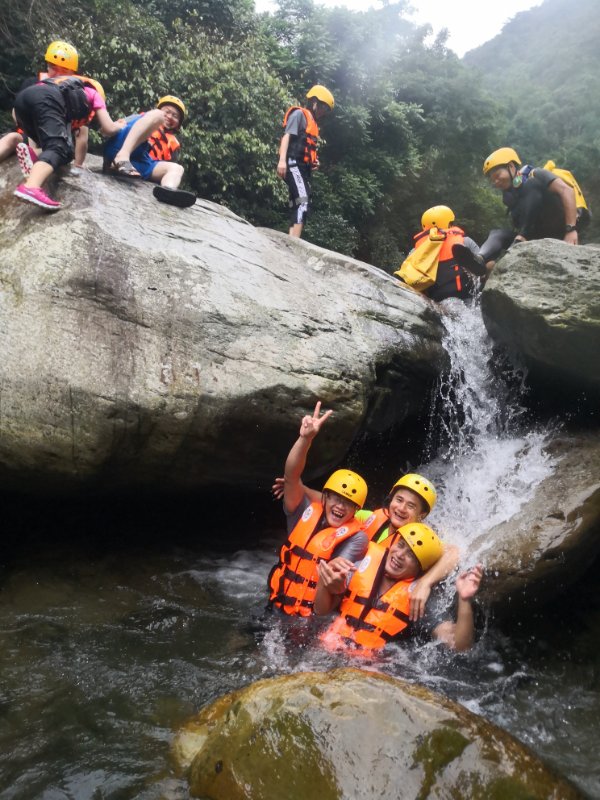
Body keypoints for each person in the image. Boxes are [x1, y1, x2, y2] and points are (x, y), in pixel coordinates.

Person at [267, 401, 369, 617]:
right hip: (275, 605)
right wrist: (306, 438)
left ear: (355, 510)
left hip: (308, 621)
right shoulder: (302, 511)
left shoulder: (356, 539)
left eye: (349, 503)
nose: (341, 507)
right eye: (336, 499)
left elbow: (332, 591)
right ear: (325, 498)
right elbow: (291, 477)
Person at [315, 523, 483, 654]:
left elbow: (459, 645)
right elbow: (321, 610)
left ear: (420, 568)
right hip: (327, 650)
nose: (400, 555)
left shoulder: (417, 602)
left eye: (411, 555)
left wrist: (464, 600)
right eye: (401, 545)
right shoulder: (359, 568)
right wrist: (325, 582)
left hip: (370, 672)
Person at [453, 147, 581, 275]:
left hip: (558, 226)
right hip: (535, 236)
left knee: (531, 185)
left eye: (497, 176)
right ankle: (479, 260)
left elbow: (567, 191)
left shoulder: (537, 174)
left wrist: (571, 230)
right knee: (498, 233)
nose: (496, 182)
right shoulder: (510, 197)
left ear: (511, 166)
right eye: (492, 180)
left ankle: (522, 237)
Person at [12, 69, 124, 210]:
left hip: (22, 102)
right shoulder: (93, 93)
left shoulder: (60, 85)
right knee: (59, 149)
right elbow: (108, 128)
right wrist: (120, 126)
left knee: (62, 150)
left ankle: (34, 155)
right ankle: (31, 187)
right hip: (46, 99)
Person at [0, 41, 89, 170]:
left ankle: (34, 157)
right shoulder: (33, 84)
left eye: (63, 70)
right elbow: (16, 113)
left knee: (58, 150)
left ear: (72, 73)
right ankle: (30, 154)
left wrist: (78, 165)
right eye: (53, 67)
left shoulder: (76, 94)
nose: (57, 73)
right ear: (47, 66)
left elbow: (82, 134)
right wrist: (31, 144)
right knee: (12, 137)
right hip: (27, 135)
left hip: (56, 142)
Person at [277, 84, 334, 238]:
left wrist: (313, 163)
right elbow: (287, 136)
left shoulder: (313, 124)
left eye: (326, 110)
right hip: (292, 163)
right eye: (323, 107)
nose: (323, 112)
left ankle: (291, 239)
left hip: (302, 168)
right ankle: (295, 242)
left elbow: (307, 149)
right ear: (314, 101)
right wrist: (282, 161)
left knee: (297, 202)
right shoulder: (299, 115)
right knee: (303, 201)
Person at [396, 206, 486, 301]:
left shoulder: (415, 251)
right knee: (486, 266)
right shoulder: (464, 241)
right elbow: (481, 273)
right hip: (466, 296)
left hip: (433, 301)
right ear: (448, 224)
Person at [102, 95, 185, 191]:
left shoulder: (172, 143)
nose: (170, 116)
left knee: (177, 168)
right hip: (118, 148)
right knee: (158, 116)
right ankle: (121, 157)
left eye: (175, 116)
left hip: (139, 162)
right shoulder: (142, 117)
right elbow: (107, 130)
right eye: (167, 111)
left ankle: (168, 191)